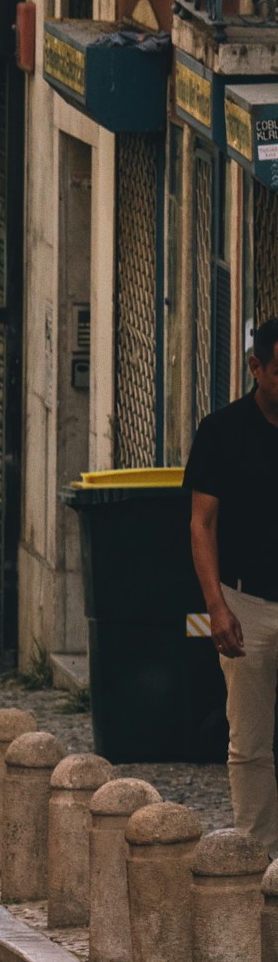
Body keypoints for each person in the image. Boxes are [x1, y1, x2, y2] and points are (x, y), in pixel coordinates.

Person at [187, 316, 278, 855]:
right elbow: (202, 523)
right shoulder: (220, 431)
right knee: (249, 741)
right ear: (255, 367)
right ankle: (259, 854)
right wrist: (217, 607)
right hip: (246, 601)